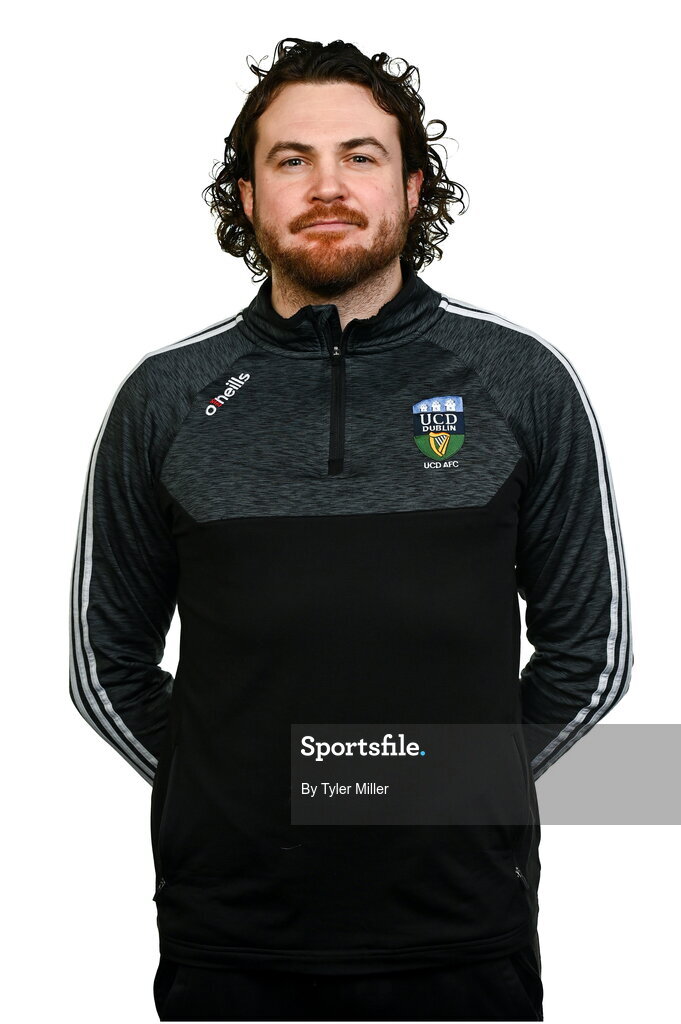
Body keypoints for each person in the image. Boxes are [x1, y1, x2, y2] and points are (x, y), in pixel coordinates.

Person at [68, 36, 633, 1022]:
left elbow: (591, 651)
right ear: (246, 197)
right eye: (292, 159)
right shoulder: (163, 400)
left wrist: (432, 789)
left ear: (414, 188)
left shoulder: (521, 383)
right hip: (230, 941)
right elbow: (104, 661)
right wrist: (231, 790)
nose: (327, 184)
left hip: (462, 935)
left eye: (360, 156)